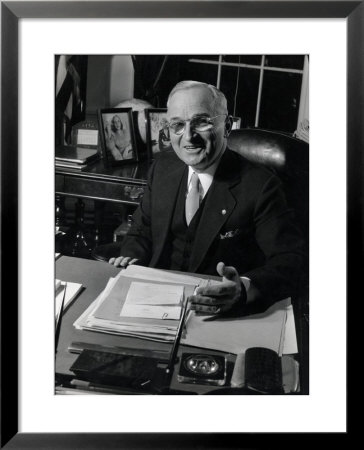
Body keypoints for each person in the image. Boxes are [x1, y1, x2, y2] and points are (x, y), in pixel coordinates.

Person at [109, 81, 304, 315]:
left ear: (227, 126)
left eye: (201, 122)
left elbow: (291, 260)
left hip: (220, 311)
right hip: (154, 302)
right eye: (178, 125)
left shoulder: (261, 185)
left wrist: (243, 288)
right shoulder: (162, 169)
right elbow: (142, 229)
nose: (189, 137)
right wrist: (132, 259)